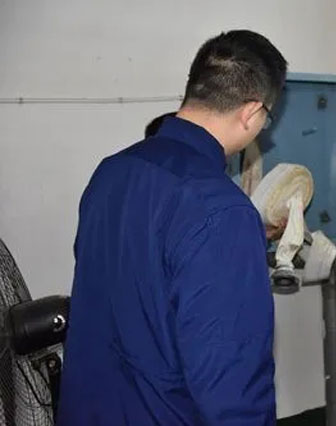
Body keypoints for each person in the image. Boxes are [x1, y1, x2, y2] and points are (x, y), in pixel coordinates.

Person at [58, 30, 288, 425]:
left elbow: (134, 272)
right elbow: (231, 384)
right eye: (267, 118)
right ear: (251, 113)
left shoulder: (111, 172)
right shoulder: (223, 210)